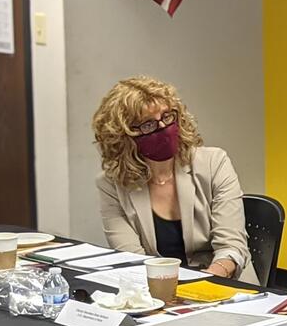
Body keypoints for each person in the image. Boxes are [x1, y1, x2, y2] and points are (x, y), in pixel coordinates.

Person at [92, 76, 255, 281]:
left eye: (167, 116)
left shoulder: (214, 163)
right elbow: (131, 258)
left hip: (222, 284)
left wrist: (206, 282)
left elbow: (232, 245)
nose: (162, 127)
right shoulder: (112, 184)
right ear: (124, 136)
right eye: (148, 124)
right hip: (154, 287)